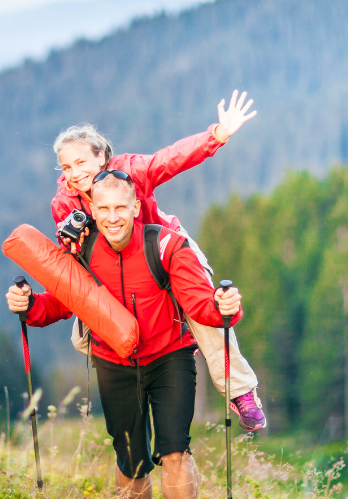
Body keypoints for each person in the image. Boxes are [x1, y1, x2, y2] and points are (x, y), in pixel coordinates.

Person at [6, 172, 243, 499]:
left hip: (169, 358)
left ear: (136, 208)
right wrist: (28, 306)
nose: (112, 216)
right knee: (130, 461)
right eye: (103, 208)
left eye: (120, 207)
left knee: (175, 451)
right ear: (93, 210)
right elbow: (61, 303)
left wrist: (226, 307)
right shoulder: (83, 250)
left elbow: (200, 305)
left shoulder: (167, 246)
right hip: (113, 362)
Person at [50, 90, 266, 430]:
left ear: (102, 157)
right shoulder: (65, 202)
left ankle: (240, 391)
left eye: (81, 163)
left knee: (203, 311)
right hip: (118, 268)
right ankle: (152, 357)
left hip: (165, 249)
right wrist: (71, 244)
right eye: (67, 167)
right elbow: (71, 262)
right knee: (82, 337)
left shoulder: (130, 172)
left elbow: (169, 158)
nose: (75, 173)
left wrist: (217, 135)